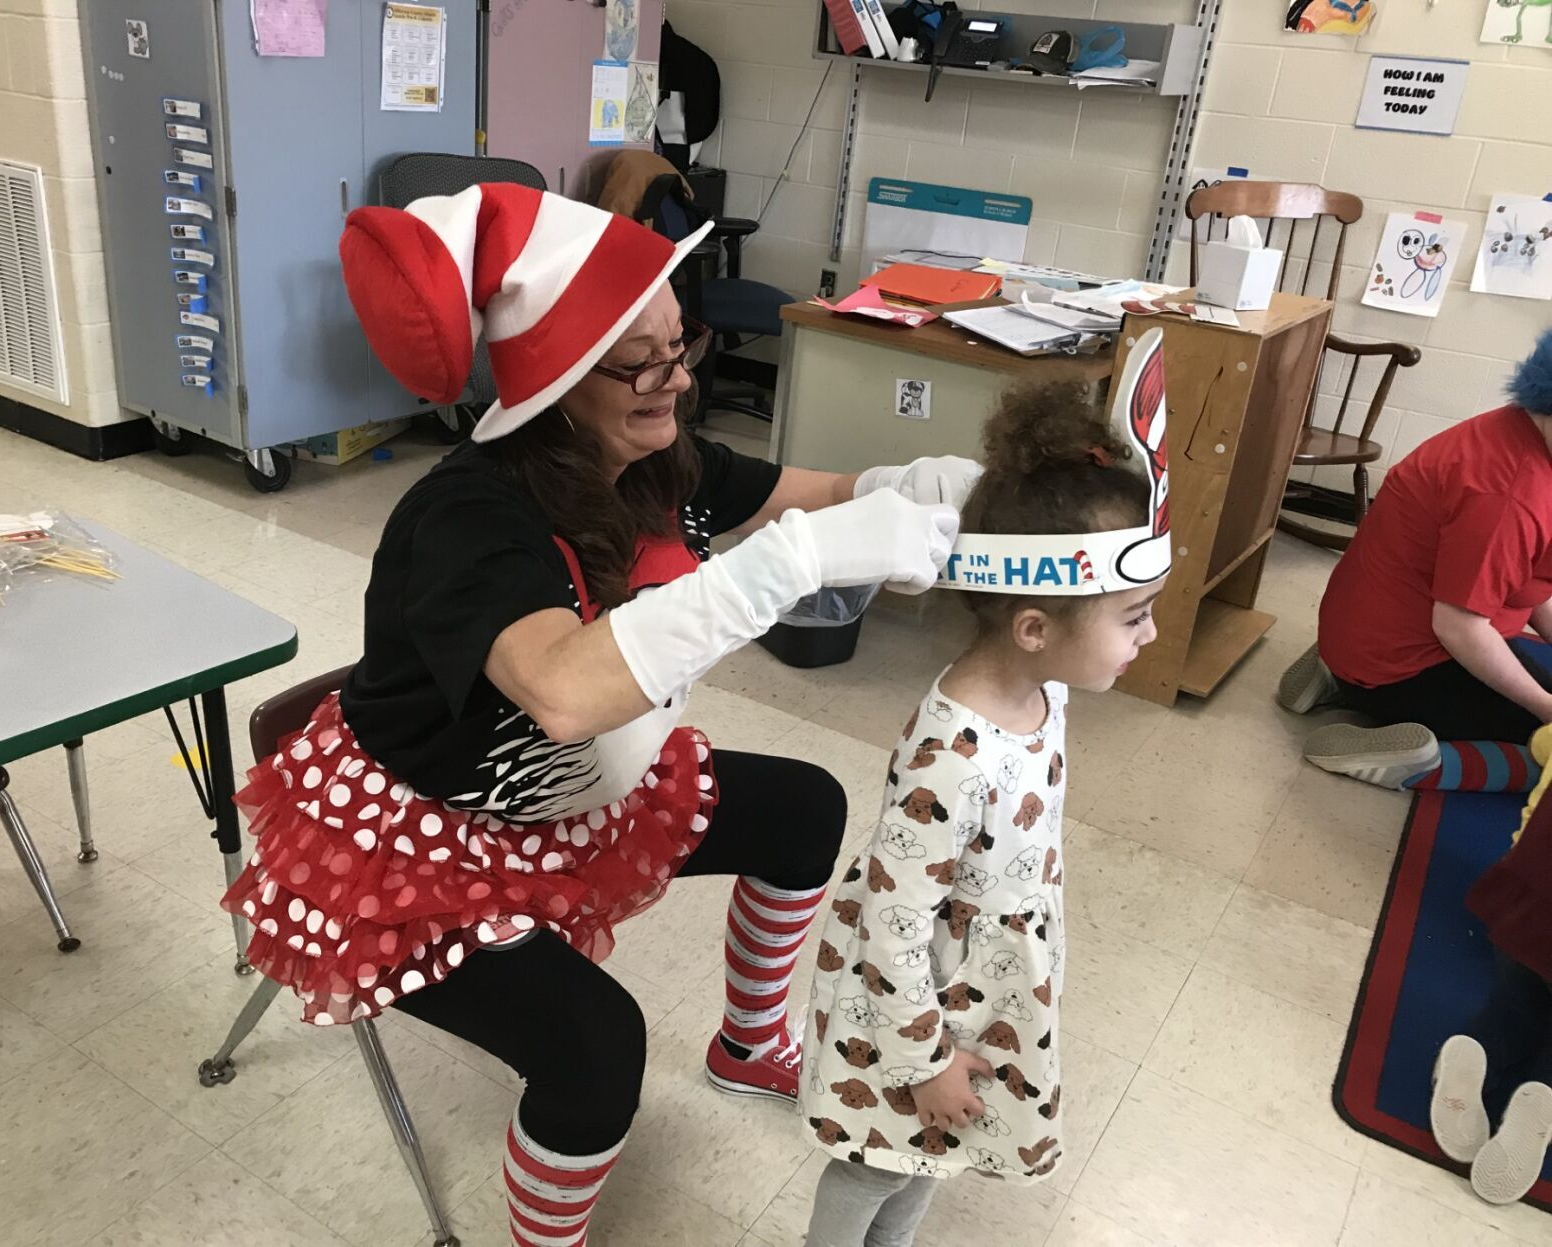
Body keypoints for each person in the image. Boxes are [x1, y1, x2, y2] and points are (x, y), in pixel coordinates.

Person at [220, 184, 981, 1247]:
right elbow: (565, 692)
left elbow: (802, 492)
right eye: (643, 361)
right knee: (596, 1044)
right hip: (419, 840)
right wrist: (792, 566)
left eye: (684, 347)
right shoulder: (465, 516)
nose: (677, 380)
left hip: (565, 796)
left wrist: (911, 484)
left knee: (805, 804)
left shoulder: (659, 460)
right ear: (556, 374)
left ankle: (750, 1044)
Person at [797, 336, 1169, 1246]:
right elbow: (892, 922)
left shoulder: (1046, 691)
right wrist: (923, 1060)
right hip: (914, 1000)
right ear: (1035, 623)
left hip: (983, 986)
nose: (1151, 635)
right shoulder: (951, 756)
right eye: (1133, 615)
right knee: (878, 1156)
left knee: (937, 1148)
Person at [1280, 329, 1552, 789]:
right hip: (1403, 664)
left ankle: (1336, 673)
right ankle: (1416, 759)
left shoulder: (1519, 427)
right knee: (1542, 749)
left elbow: (1534, 579)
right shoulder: (1509, 495)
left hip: (1373, 631)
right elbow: (1459, 627)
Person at [1431, 740, 1552, 1205]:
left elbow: (1543, 744)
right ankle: (1543, 1092)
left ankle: (1481, 1044)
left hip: (1530, 902)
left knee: (1515, 1007)